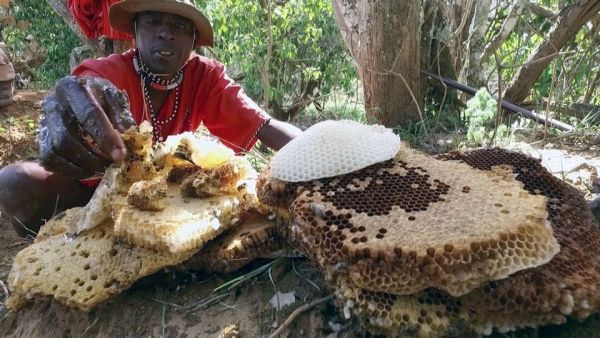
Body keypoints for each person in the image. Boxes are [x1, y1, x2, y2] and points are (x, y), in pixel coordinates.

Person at [0, 0, 302, 237]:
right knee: (12, 183)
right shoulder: (109, 72)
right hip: (94, 190)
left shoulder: (205, 76)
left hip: (165, 198)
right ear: (134, 30)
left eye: (180, 26)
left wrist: (324, 150)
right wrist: (80, 98)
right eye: (153, 21)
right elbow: (86, 88)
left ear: (194, 39)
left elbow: (266, 126)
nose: (166, 33)